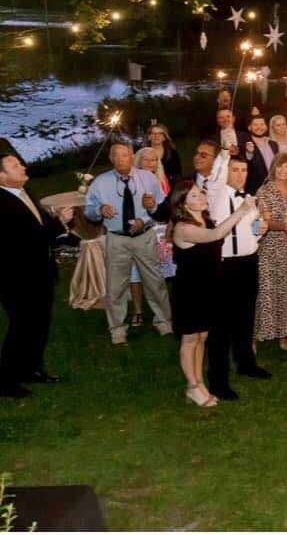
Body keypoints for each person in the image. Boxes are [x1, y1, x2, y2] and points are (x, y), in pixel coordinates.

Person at [169, 180, 257, 407]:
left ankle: (198, 383)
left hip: (208, 287)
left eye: (200, 193)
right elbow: (217, 234)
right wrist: (242, 210)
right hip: (189, 291)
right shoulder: (183, 227)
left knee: (202, 338)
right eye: (194, 196)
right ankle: (193, 386)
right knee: (190, 340)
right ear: (182, 204)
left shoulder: (203, 219)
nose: (201, 197)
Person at [0, 153, 75, 398]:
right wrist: (59, 222)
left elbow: (39, 229)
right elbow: (24, 241)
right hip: (17, 280)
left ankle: (32, 369)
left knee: (39, 325)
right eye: (15, 165)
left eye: (20, 163)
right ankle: (7, 381)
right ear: (2, 176)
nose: (23, 166)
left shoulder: (25, 192)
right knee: (22, 327)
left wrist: (59, 227)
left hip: (41, 273)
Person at [85, 142, 173, 344]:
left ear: (132, 156)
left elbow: (161, 206)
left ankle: (164, 322)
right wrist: (99, 210)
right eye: (116, 156)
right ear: (110, 159)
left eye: (125, 155)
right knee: (115, 286)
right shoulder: (100, 183)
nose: (121, 159)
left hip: (144, 236)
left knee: (155, 281)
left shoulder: (148, 178)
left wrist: (148, 214)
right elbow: (89, 210)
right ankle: (117, 329)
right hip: (117, 239)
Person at [206, 157, 270, 400]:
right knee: (220, 325)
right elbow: (216, 174)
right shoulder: (217, 194)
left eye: (244, 170)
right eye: (235, 169)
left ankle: (246, 364)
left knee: (246, 317)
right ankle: (218, 380)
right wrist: (224, 153)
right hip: (224, 266)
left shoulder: (249, 200)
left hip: (248, 262)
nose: (240, 174)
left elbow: (251, 230)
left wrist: (259, 228)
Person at [254, 153, 287, 351]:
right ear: (274, 167)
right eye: (280, 166)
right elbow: (263, 221)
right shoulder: (264, 191)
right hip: (268, 245)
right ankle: (262, 331)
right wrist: (282, 225)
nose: (284, 170)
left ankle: (283, 333)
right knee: (267, 289)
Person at [127, 147, 175, 328]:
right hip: (138, 229)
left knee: (159, 271)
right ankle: (138, 310)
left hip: (158, 229)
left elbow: (164, 207)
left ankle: (163, 310)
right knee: (135, 271)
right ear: (138, 161)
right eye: (146, 159)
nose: (151, 163)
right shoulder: (130, 181)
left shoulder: (158, 180)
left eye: (154, 160)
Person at [241, 114, 279, 195]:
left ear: (266, 126)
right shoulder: (245, 145)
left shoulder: (274, 144)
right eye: (255, 125)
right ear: (249, 127)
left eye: (262, 124)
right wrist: (249, 153)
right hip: (255, 191)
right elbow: (246, 162)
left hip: (275, 189)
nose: (259, 127)